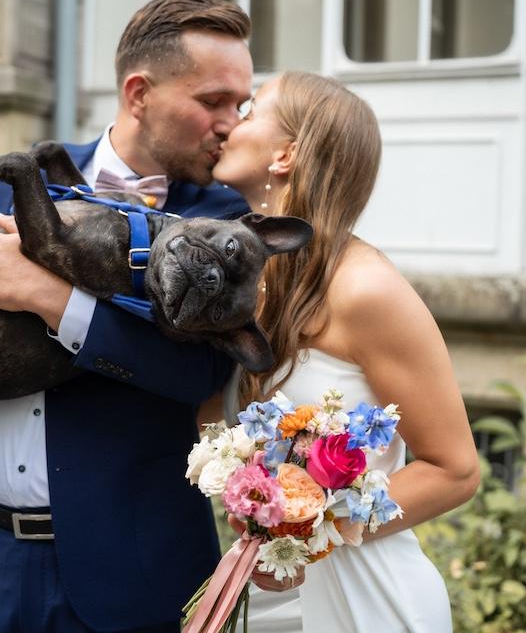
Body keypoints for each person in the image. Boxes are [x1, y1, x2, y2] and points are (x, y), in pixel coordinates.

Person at [0, 0, 254, 632]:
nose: (232, 124)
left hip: (131, 573)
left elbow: (200, 376)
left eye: (241, 105)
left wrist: (49, 297)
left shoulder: (224, 226)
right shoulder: (20, 176)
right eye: (213, 101)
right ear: (139, 94)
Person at [208, 71, 481, 632]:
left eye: (250, 111)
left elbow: (455, 470)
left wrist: (303, 530)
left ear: (286, 154)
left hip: (366, 599)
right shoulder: (258, 277)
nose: (231, 124)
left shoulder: (366, 290)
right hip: (271, 587)